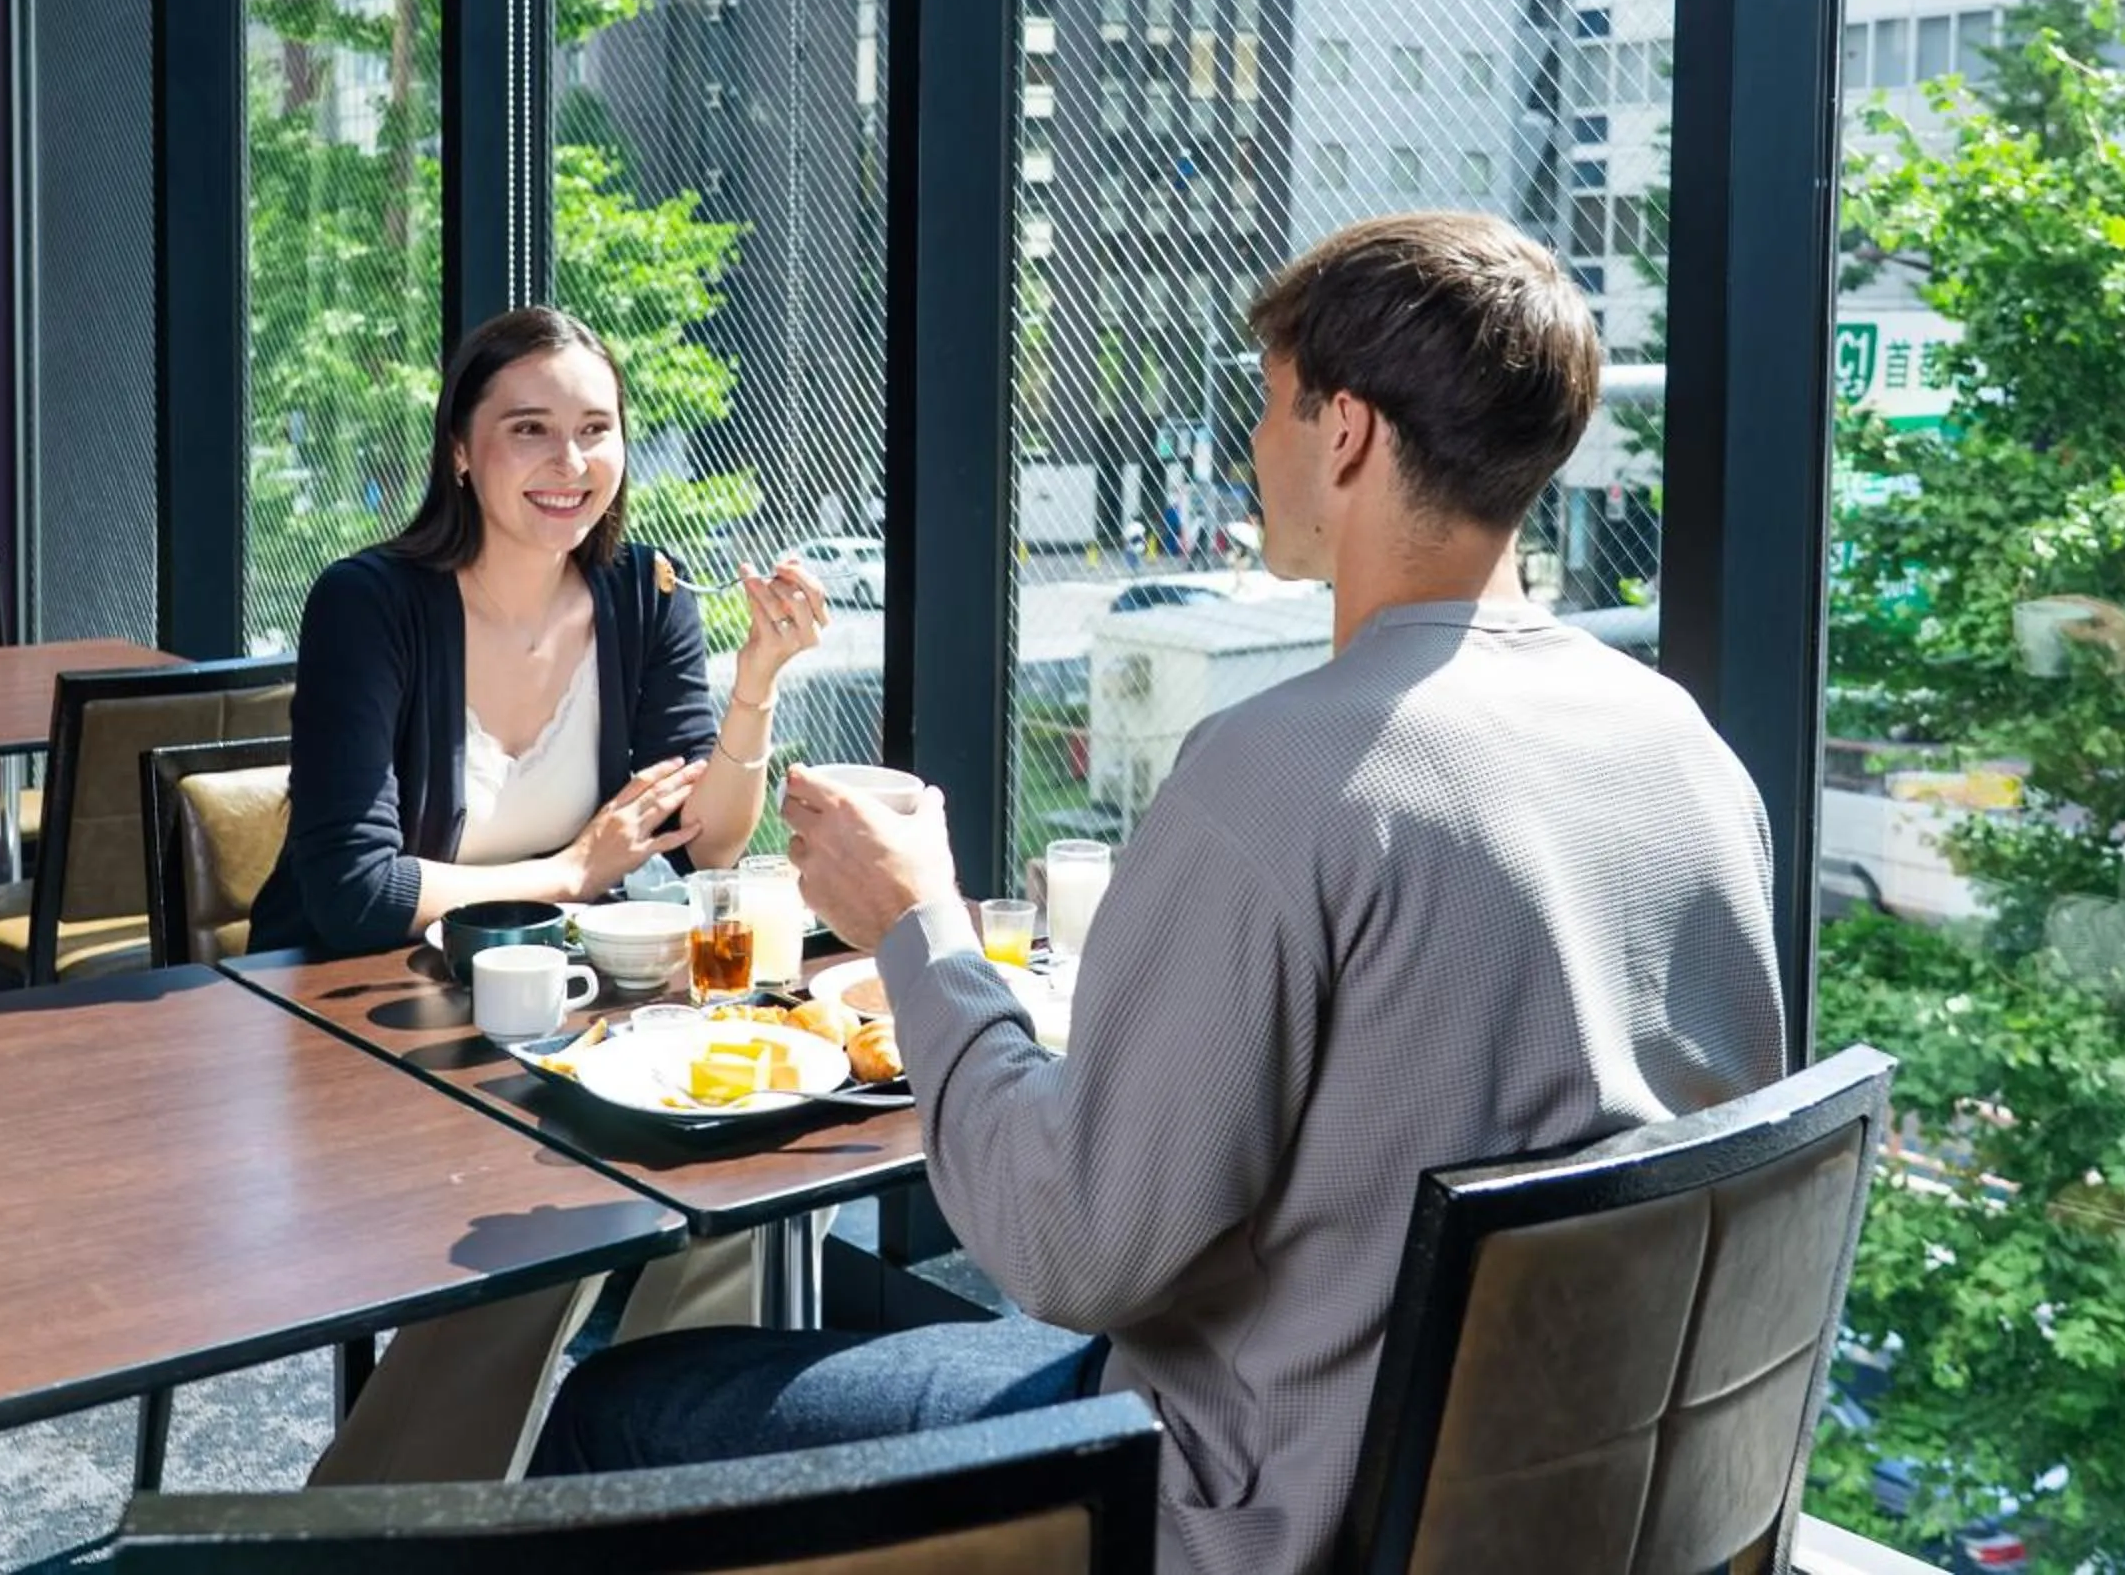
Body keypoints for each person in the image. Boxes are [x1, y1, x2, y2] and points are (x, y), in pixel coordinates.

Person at [529, 214, 1788, 1575]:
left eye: (1268, 405)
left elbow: (1071, 1252)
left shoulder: (1281, 772)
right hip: (1564, 1512)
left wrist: (916, 927)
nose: (1254, 446)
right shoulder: (1687, 752)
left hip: (1234, 1508)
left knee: (617, 1413)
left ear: (1346, 433)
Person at [253, 304, 829, 1483]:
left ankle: (649, 1494)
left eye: (595, 431)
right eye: (530, 430)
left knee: (735, 1177)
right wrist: (572, 872)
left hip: (553, 1012)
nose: (570, 466)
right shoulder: (370, 604)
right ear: (461, 449)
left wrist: (756, 682)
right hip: (361, 1027)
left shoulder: (645, 593)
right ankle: (385, 1529)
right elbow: (357, 892)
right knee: (556, 1220)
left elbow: (707, 846)